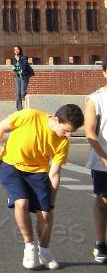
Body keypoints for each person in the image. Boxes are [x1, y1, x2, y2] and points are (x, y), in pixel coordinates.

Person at [0, 104, 84, 270]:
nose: (68, 135)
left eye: (71, 132)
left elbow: (54, 173)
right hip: (11, 165)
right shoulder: (29, 116)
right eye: (66, 130)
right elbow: (0, 127)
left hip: (38, 172)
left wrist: (50, 203)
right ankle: (29, 247)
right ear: (55, 120)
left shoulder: (63, 143)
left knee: (46, 214)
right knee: (21, 202)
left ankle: (44, 251)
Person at [85, 61, 107, 264]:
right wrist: (104, 158)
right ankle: (101, 242)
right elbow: (90, 132)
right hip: (103, 161)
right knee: (104, 201)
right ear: (105, 72)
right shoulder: (96, 99)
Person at [11, 46, 33, 110]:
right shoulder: (14, 58)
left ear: (20, 50)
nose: (16, 51)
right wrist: (14, 69)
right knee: (18, 93)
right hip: (18, 76)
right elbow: (16, 66)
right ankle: (19, 108)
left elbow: (23, 67)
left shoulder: (24, 57)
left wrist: (18, 60)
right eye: (14, 50)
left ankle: (27, 104)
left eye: (17, 49)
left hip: (24, 76)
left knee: (23, 93)